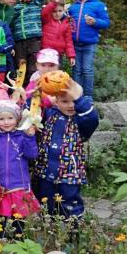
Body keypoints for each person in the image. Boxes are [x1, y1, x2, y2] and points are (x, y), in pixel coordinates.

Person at [33, 79, 99, 230]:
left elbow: (92, 119)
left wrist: (79, 100)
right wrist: (35, 94)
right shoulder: (50, 114)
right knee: (46, 203)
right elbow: (32, 113)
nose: (70, 105)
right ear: (56, 101)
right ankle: (49, 233)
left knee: (70, 205)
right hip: (45, 171)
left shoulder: (82, 121)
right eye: (64, 101)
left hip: (70, 174)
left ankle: (72, 234)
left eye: (73, 101)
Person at [0, 100, 40, 238]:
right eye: (1, 119)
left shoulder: (22, 137)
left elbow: (32, 154)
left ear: (17, 119)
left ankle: (18, 240)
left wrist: (30, 137)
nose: (6, 122)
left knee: (18, 218)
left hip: (18, 185)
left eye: (10, 118)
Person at [68, 0, 111, 99]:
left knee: (87, 70)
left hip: (89, 44)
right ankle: (76, 95)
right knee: (76, 70)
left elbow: (106, 23)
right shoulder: (73, 6)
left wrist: (95, 22)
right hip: (74, 44)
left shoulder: (98, 5)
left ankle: (88, 96)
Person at [12, 0, 48, 86]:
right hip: (19, 41)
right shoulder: (16, 7)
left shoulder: (36, 3)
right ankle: (20, 92)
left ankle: (32, 91)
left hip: (34, 40)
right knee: (21, 67)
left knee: (33, 67)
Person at [41, 0, 76, 67]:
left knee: (57, 75)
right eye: (54, 11)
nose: (57, 14)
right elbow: (45, 12)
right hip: (45, 54)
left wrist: (71, 56)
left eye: (60, 11)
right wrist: (55, 1)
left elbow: (68, 41)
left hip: (58, 55)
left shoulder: (66, 23)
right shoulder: (47, 20)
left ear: (64, 10)